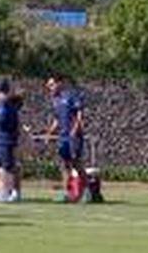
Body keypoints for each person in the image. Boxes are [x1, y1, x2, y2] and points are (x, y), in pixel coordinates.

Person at [46, 75, 86, 203]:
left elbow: (79, 114)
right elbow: (57, 120)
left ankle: (85, 192)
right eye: (48, 85)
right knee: (64, 165)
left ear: (59, 83)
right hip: (63, 137)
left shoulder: (71, 95)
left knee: (76, 163)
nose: (49, 88)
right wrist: (50, 133)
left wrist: (75, 129)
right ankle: (68, 193)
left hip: (74, 136)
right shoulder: (55, 100)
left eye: (52, 85)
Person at [0, 80, 22, 203]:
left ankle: (14, 192)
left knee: (9, 167)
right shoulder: (2, 104)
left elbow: (2, 120)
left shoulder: (6, 105)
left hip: (5, 140)